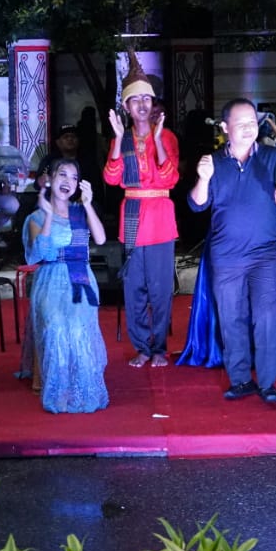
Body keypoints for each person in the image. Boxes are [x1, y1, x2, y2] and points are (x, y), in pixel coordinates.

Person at [190, 98, 276, 402]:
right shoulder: (213, 162)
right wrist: (203, 178)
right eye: (242, 123)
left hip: (265, 254)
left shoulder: (274, 158)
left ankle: (268, 383)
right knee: (231, 318)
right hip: (227, 256)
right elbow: (197, 204)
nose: (250, 128)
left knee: (266, 317)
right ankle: (239, 380)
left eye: (253, 122)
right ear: (225, 127)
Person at [103, 50, 179, 368]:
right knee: (134, 289)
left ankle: (159, 347)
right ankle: (142, 347)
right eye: (136, 100)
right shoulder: (121, 139)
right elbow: (111, 178)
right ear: (126, 107)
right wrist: (118, 140)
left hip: (160, 217)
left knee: (161, 289)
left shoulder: (168, 137)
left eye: (147, 99)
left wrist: (158, 140)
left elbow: (170, 177)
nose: (143, 105)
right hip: (133, 216)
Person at [23, 158, 108, 413]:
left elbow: (101, 239)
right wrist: (49, 215)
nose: (67, 181)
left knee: (79, 329)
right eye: (62, 174)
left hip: (80, 277)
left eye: (73, 177)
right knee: (57, 328)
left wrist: (88, 204)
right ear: (50, 179)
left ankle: (81, 387)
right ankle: (58, 388)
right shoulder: (36, 216)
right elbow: (40, 254)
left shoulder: (80, 212)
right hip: (51, 280)